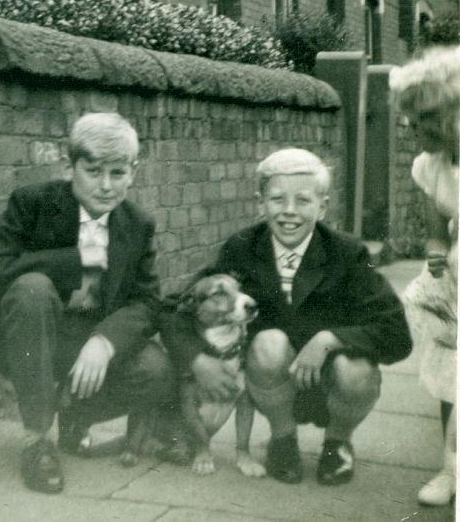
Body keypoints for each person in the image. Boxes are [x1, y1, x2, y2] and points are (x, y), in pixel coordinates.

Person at [161, 148, 412, 485]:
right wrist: (195, 360)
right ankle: (283, 440)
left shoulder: (349, 253)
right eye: (277, 199)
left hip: (330, 383)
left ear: (323, 205)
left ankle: (337, 444)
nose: (289, 212)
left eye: (304, 201)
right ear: (260, 203)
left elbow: (397, 333)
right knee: (268, 343)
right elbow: (175, 307)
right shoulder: (242, 247)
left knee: (357, 371)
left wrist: (330, 339)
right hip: (270, 384)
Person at [0, 112, 173, 493]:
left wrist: (105, 341)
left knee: (156, 369)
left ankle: (75, 414)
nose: (106, 186)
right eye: (93, 172)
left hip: (85, 341)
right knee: (33, 288)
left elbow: (147, 301)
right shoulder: (32, 204)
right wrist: (72, 260)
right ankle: (36, 440)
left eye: (118, 173)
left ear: (134, 171)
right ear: (68, 165)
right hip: (29, 336)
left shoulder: (137, 223)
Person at [389, 46, 459, 506]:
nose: (412, 128)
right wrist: (437, 255)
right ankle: (452, 469)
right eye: (410, 118)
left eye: (423, 118)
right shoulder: (432, 168)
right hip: (455, 283)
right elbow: (436, 230)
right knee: (451, 378)